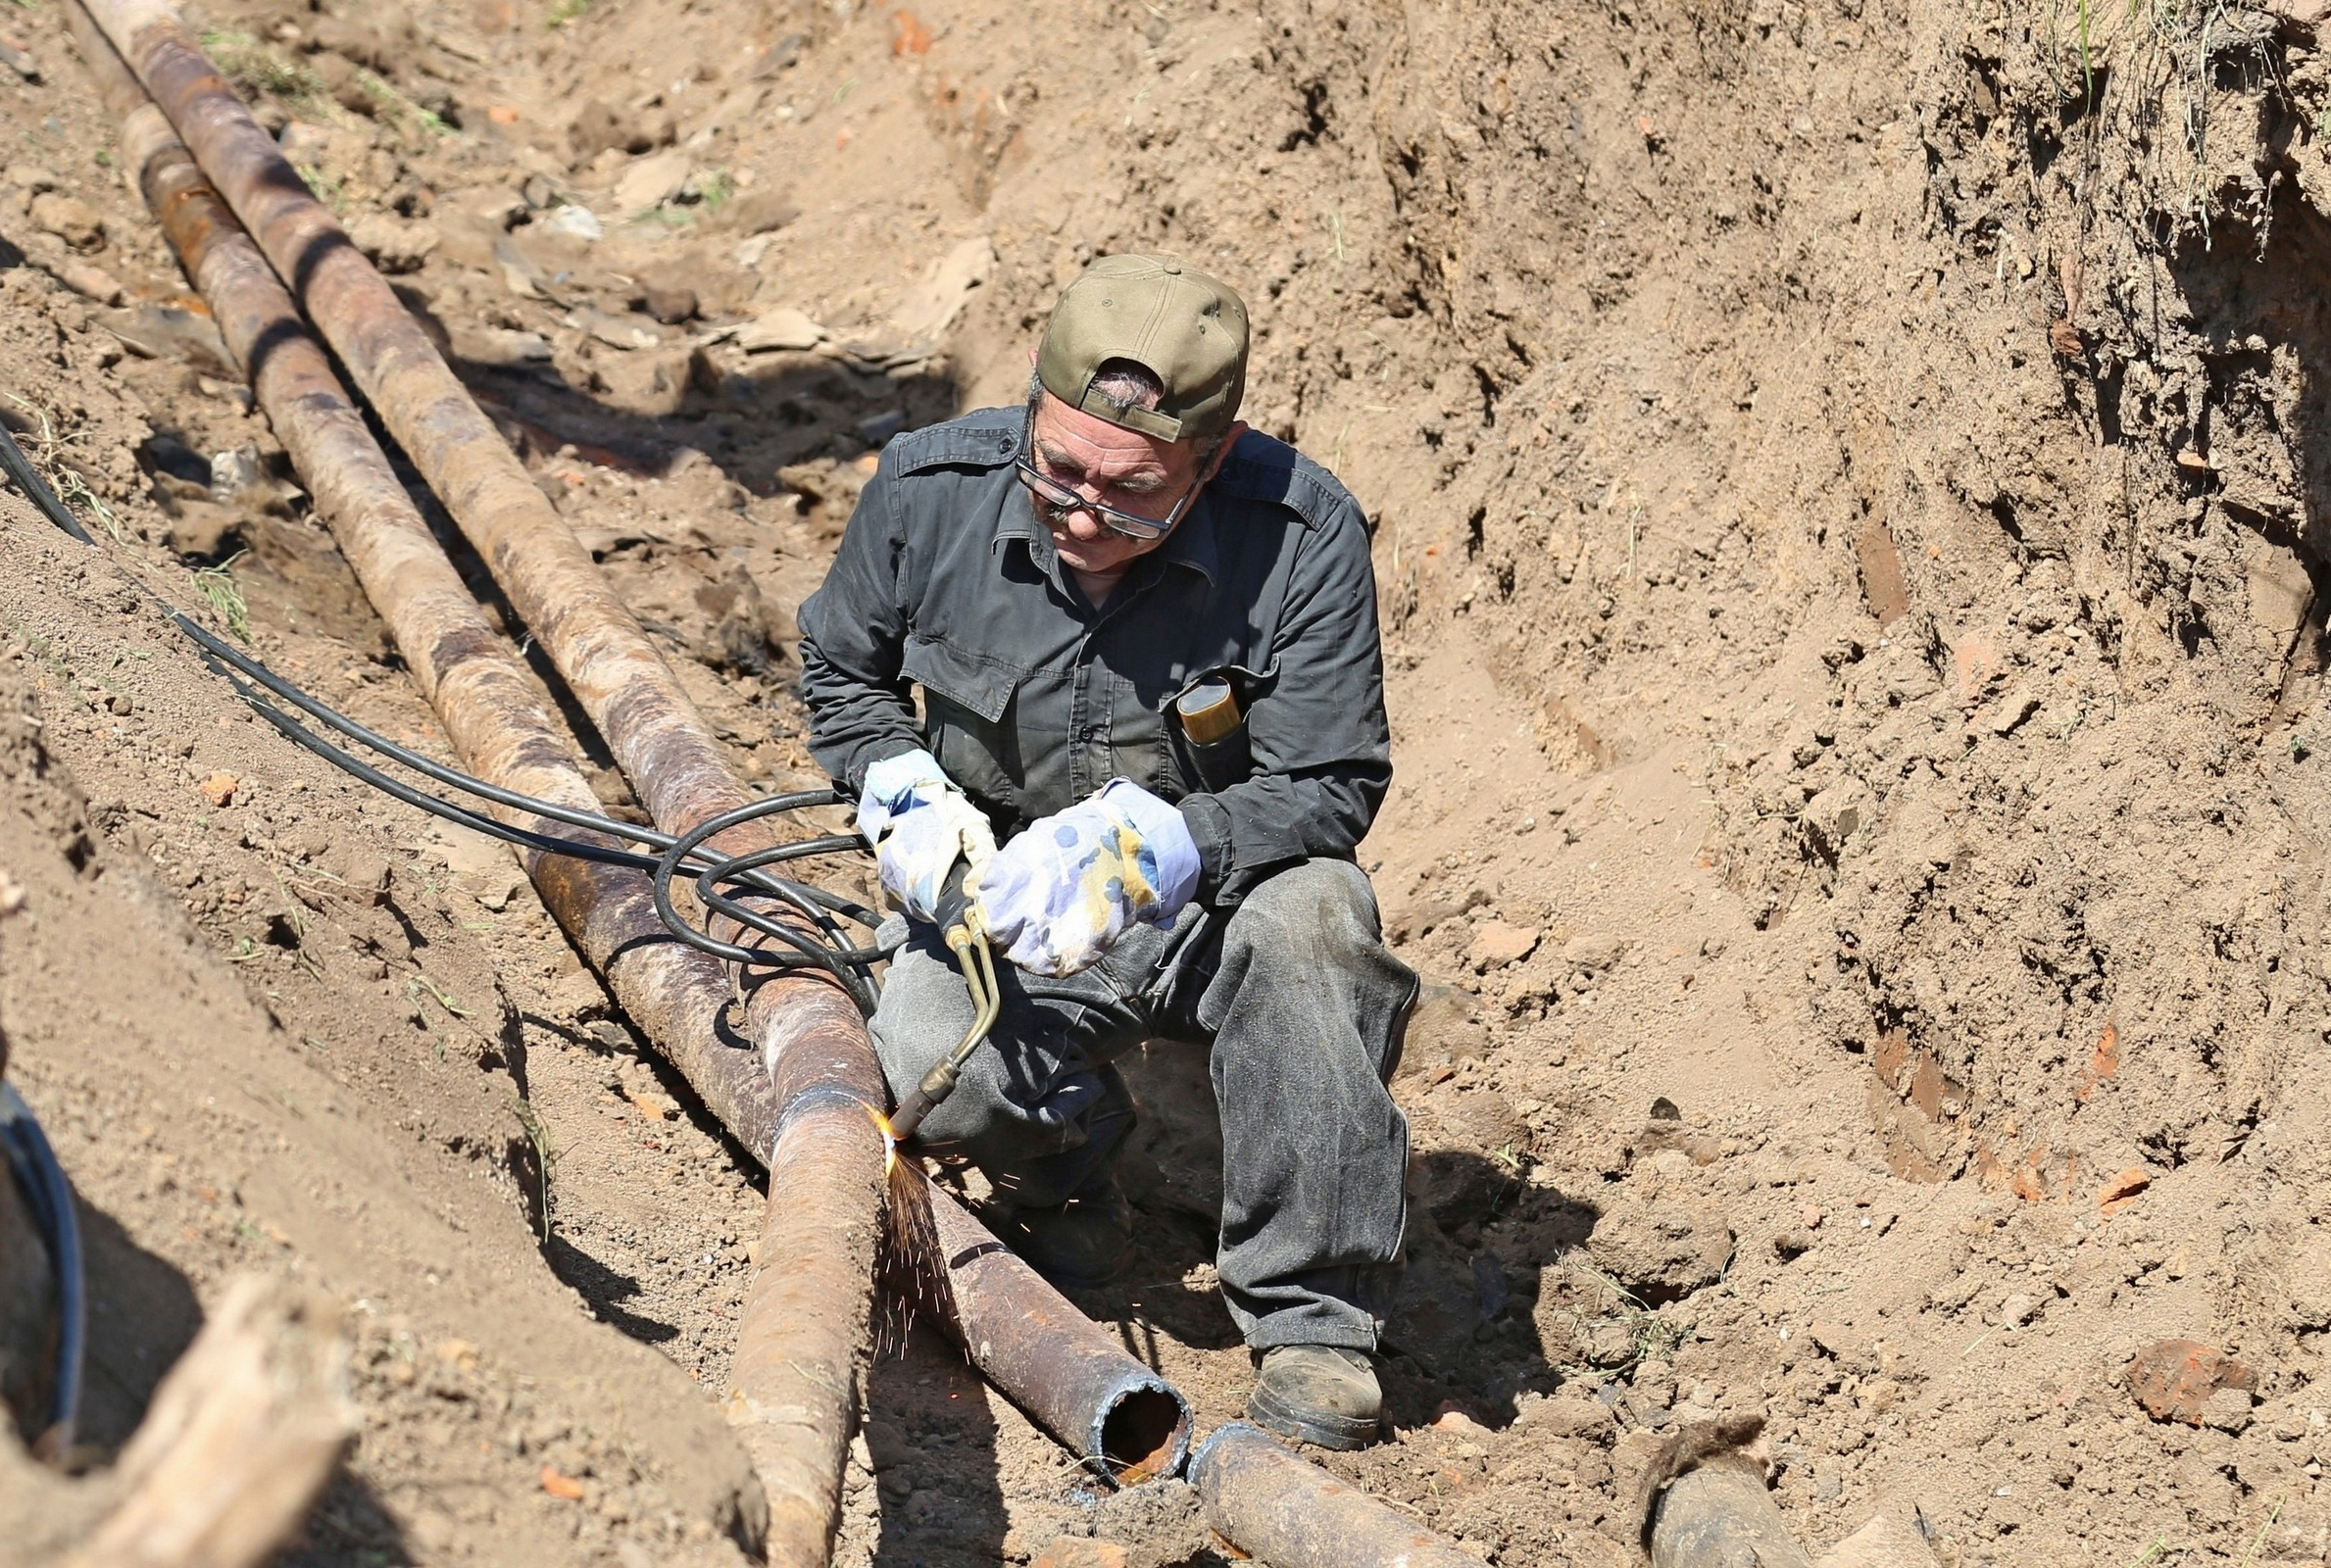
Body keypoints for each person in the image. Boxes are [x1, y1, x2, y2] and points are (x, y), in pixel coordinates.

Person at [796, 254, 1416, 1450]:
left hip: (1215, 894)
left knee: (1320, 926)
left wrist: (1175, 840)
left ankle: (1314, 1316)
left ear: (1213, 459)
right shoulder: (929, 491)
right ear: (1031, 406)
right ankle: (1072, 1171)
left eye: (1134, 494)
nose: (1083, 515)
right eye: (1060, 471)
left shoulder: (1297, 534)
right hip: (1015, 893)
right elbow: (840, 670)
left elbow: (1334, 780)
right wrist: (901, 791)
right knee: (936, 1056)